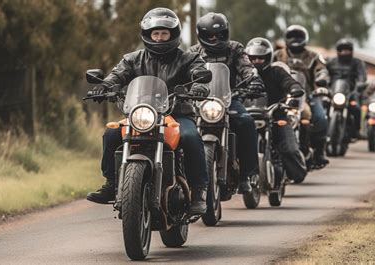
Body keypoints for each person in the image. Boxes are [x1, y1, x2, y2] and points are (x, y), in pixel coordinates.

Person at [86, 7, 210, 215]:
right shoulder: (133, 59)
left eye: (164, 34)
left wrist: (199, 87)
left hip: (177, 114)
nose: (160, 38)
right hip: (140, 114)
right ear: (147, 35)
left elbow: (199, 74)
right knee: (112, 133)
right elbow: (117, 75)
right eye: (156, 33)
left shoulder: (188, 58)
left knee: (190, 137)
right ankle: (111, 183)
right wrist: (104, 86)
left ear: (173, 34)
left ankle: (199, 191)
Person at [189, 12, 264, 194]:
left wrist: (253, 79)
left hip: (230, 99)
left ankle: (248, 174)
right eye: (210, 36)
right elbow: (185, 72)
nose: (215, 39)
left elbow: (247, 67)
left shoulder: (235, 49)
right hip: (200, 101)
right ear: (202, 36)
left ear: (226, 33)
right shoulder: (193, 53)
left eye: (219, 35)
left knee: (246, 122)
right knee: (184, 131)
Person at [245, 37, 307, 183]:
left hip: (276, 116)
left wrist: (295, 88)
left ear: (268, 57)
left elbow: (289, 82)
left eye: (261, 58)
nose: (257, 61)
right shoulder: (244, 74)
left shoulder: (277, 72)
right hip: (249, 117)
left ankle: (295, 173)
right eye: (253, 58)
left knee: (290, 149)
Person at [274, 24, 330, 168]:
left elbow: (322, 70)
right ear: (286, 38)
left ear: (305, 38)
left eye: (298, 36)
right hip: (281, 94)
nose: (295, 40)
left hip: (308, 95)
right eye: (292, 36)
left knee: (320, 118)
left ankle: (319, 152)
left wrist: (322, 78)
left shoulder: (313, 56)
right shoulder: (278, 55)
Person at [327, 38, 367, 139]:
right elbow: (324, 73)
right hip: (333, 92)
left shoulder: (357, 63)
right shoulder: (331, 62)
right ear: (338, 51)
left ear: (351, 51)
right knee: (322, 106)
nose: (345, 52)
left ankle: (356, 131)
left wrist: (361, 83)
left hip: (351, 92)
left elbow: (362, 75)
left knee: (356, 108)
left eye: (347, 50)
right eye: (342, 49)